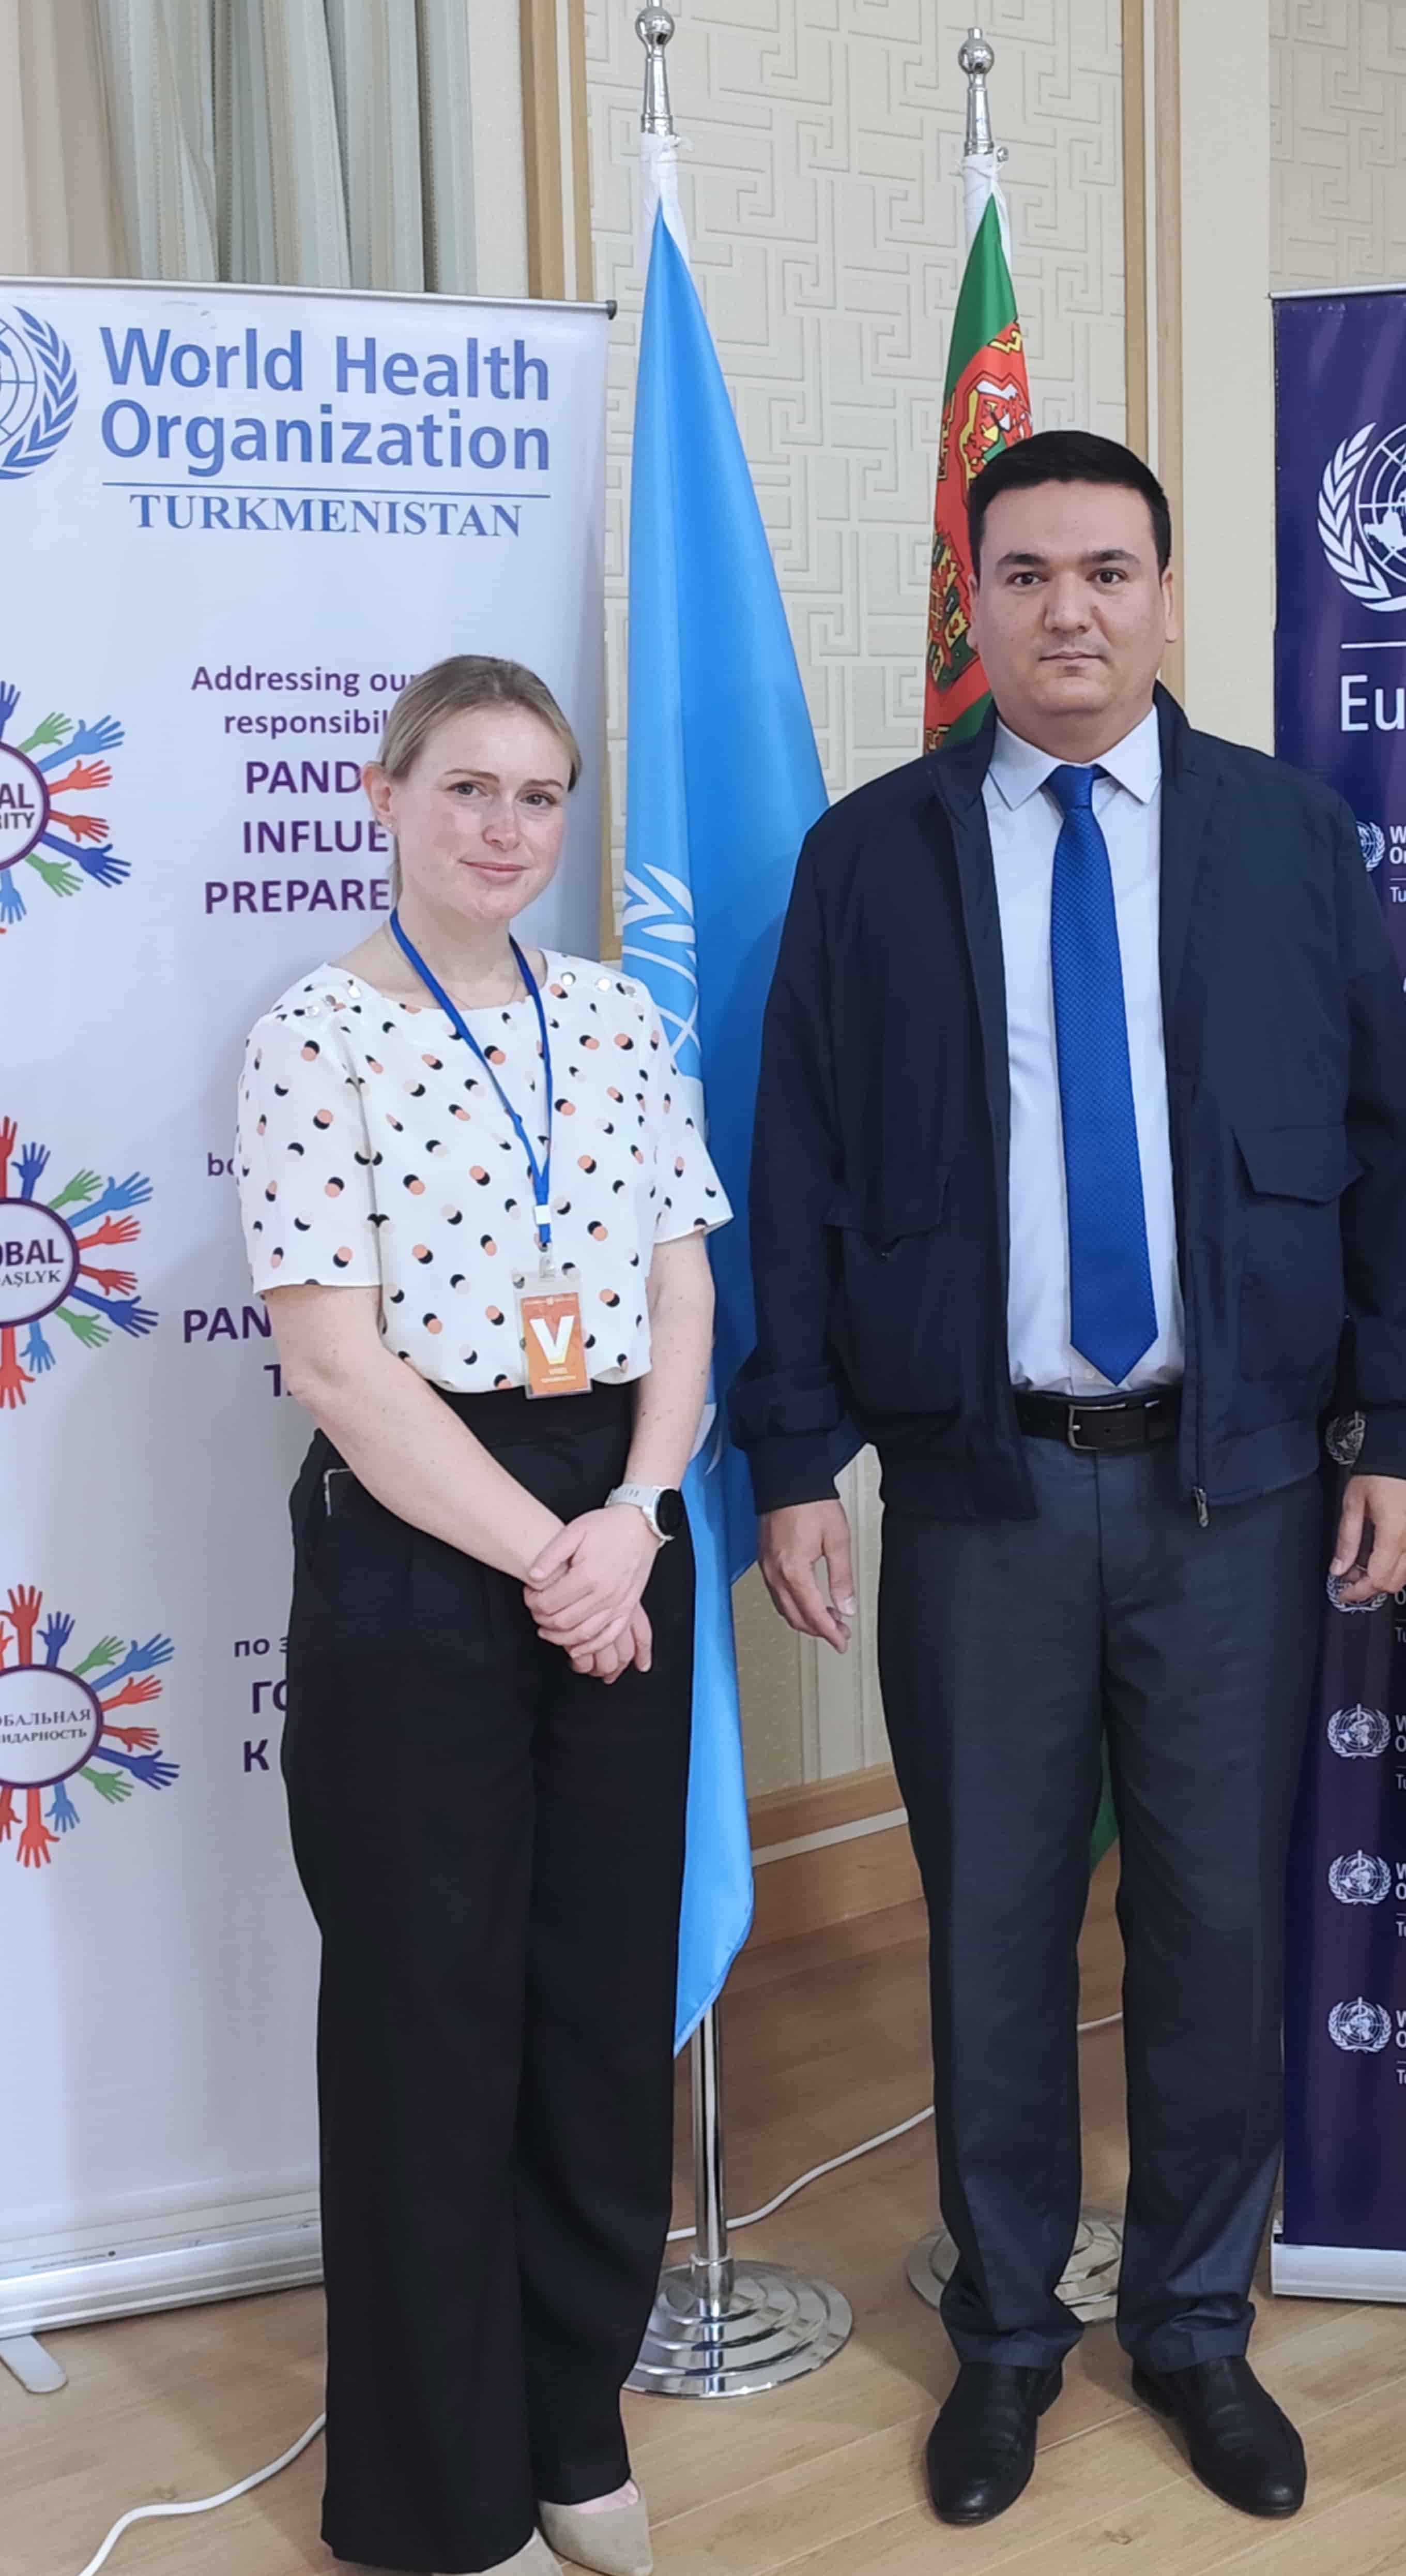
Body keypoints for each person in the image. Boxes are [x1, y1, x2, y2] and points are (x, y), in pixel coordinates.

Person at [735, 430, 1406, 2527]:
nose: (1069, 608)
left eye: (1108, 570)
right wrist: (795, 1452)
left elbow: (1387, 1149)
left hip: (1232, 1489)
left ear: (1165, 593)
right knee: (991, 1925)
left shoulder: (1286, 836)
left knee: (1216, 1925)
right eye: (1028, 571)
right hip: (982, 1487)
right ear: (972, 597)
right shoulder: (870, 856)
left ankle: (1195, 2327)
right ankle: (1003, 2339)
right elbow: (800, 1163)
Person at [235, 656, 727, 2576]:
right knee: (431, 2023)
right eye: (467, 787)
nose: (505, 827)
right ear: (386, 795)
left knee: (597, 2014)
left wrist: (637, 1514)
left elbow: (682, 1293)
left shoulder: (613, 1018)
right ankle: (434, 2503)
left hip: (617, 1507)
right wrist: (555, 1559)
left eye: (537, 794)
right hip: (426, 1537)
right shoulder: (313, 1036)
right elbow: (336, 1368)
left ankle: (571, 2430)